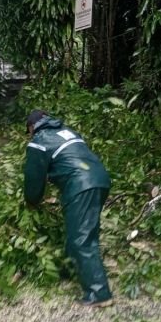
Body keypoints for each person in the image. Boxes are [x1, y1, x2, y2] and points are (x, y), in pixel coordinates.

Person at [24, 110, 113, 307]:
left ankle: (100, 293)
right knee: (78, 232)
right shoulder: (67, 132)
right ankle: (69, 270)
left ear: (32, 127)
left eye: (29, 131)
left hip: (81, 185)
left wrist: (32, 201)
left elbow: (33, 178)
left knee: (81, 238)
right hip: (100, 180)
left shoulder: (39, 140)